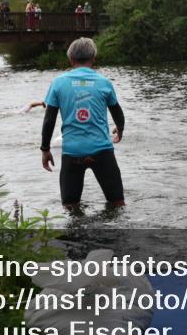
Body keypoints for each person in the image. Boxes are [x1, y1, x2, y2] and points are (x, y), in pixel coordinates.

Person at [40, 37, 126, 211]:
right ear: (93, 58)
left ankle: (74, 237)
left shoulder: (58, 83)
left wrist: (45, 149)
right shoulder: (104, 82)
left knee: (70, 207)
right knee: (117, 203)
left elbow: (49, 119)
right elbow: (117, 111)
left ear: (70, 59)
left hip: (72, 152)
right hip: (102, 150)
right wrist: (120, 129)